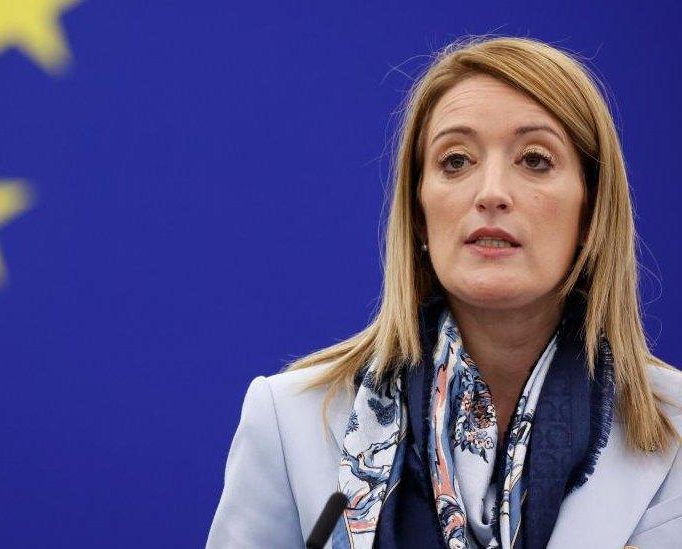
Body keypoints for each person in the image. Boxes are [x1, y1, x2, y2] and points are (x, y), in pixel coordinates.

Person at [206, 35, 682, 549]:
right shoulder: (289, 419)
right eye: (455, 161)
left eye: (535, 160)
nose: (492, 192)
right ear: (419, 214)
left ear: (591, 211)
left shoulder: (675, 429)